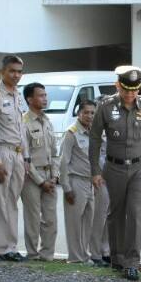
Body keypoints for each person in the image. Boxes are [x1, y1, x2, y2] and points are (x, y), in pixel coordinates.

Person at [89, 66, 141, 281]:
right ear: (117, 85)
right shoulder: (105, 106)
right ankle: (117, 257)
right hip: (114, 167)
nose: (130, 94)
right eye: (126, 89)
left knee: (136, 213)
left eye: (135, 90)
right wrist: (95, 170)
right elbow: (94, 138)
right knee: (116, 214)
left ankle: (132, 263)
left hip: (140, 167)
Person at [0, 54, 29, 262]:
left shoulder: (18, 95)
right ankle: (2, 248)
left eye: (19, 72)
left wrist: (27, 157)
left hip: (18, 153)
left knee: (13, 201)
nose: (16, 75)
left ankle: (12, 246)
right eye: (12, 71)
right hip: (3, 151)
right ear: (2, 72)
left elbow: (22, 128)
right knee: (1, 201)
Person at [21, 81, 59, 261]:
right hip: (32, 177)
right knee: (33, 218)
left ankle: (47, 256)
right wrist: (40, 181)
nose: (45, 99)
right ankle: (32, 254)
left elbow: (55, 153)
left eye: (45, 95)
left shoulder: (47, 120)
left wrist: (54, 177)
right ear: (29, 99)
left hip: (49, 175)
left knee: (50, 219)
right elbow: (24, 156)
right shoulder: (24, 122)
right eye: (41, 95)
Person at [60, 99, 100, 263]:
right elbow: (63, 161)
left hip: (90, 182)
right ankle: (75, 258)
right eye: (86, 112)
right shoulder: (72, 132)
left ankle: (84, 255)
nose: (89, 116)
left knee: (87, 222)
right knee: (74, 223)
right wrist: (66, 187)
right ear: (79, 113)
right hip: (75, 181)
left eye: (92, 113)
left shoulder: (93, 132)